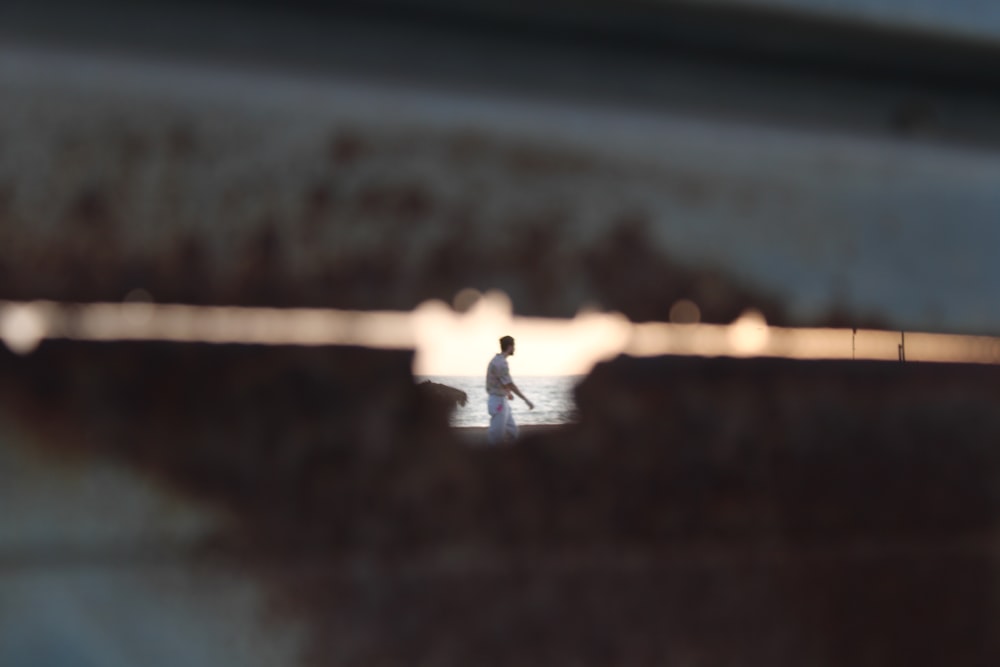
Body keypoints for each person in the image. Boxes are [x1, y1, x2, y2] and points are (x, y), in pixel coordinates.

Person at [485, 335, 533, 444]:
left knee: (513, 433)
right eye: (514, 346)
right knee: (496, 436)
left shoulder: (499, 361)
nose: (515, 349)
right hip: (498, 403)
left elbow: (500, 381)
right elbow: (510, 384)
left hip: (502, 401)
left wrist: (507, 393)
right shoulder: (500, 363)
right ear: (510, 347)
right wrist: (525, 399)